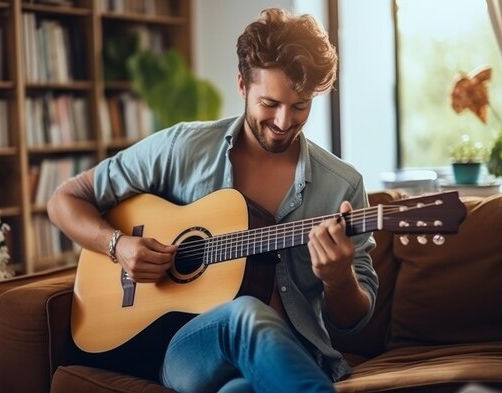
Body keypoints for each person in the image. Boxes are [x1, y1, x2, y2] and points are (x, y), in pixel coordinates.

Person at [48, 7, 378, 393]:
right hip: (186, 352)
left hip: (293, 358)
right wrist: (118, 245)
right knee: (244, 315)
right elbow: (65, 199)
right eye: (269, 104)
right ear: (242, 85)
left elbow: (352, 319)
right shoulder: (182, 148)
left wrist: (339, 279)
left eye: (300, 105)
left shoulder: (342, 186)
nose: (284, 122)